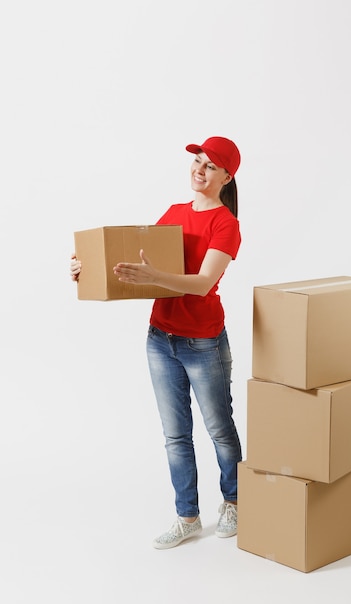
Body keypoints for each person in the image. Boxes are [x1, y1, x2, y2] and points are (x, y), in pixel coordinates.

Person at [70, 136, 243, 549]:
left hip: (203, 342)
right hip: (160, 339)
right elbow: (135, 264)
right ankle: (187, 516)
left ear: (226, 176)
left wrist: (153, 277)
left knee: (219, 428)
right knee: (175, 434)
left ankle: (235, 500)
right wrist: (86, 270)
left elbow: (202, 283)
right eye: (197, 162)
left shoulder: (226, 224)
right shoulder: (173, 213)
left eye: (210, 165)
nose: (199, 169)